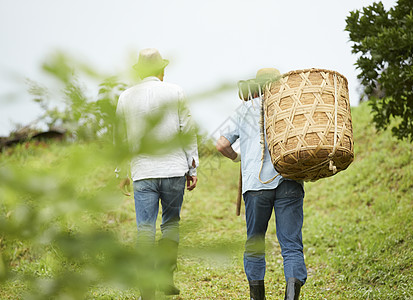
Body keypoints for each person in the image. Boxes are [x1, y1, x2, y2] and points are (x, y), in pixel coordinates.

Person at [216, 68, 306, 300]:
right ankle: (291, 295)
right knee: (291, 245)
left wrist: (238, 158)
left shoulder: (246, 109)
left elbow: (221, 145)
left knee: (255, 242)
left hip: (255, 186)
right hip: (288, 181)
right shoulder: (292, 107)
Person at [116, 48, 199, 299]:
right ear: (162, 70)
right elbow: (187, 129)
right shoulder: (176, 92)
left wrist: (121, 171)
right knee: (171, 223)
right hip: (174, 169)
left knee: (145, 229)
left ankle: (147, 291)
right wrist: (192, 168)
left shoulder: (125, 97)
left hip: (143, 172)